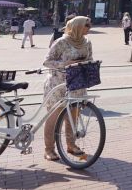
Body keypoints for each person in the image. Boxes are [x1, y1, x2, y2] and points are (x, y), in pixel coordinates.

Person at [42, 16, 94, 161]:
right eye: (86, 25)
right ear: (76, 26)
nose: (89, 28)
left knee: (73, 117)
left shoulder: (87, 42)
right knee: (53, 118)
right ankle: (49, 149)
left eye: (89, 25)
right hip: (58, 85)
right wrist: (65, 63)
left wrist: (88, 63)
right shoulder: (61, 42)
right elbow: (47, 61)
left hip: (77, 84)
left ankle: (71, 145)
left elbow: (89, 58)